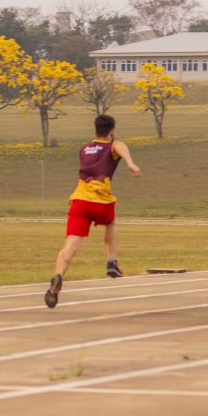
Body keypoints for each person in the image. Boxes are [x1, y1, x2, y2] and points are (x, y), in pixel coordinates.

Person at [45, 114, 141, 308]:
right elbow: (118, 146)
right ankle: (111, 260)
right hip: (100, 201)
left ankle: (58, 276)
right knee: (111, 222)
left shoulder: (84, 149)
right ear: (111, 133)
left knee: (71, 244)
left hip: (79, 201)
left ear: (95, 131)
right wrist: (129, 162)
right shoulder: (112, 145)